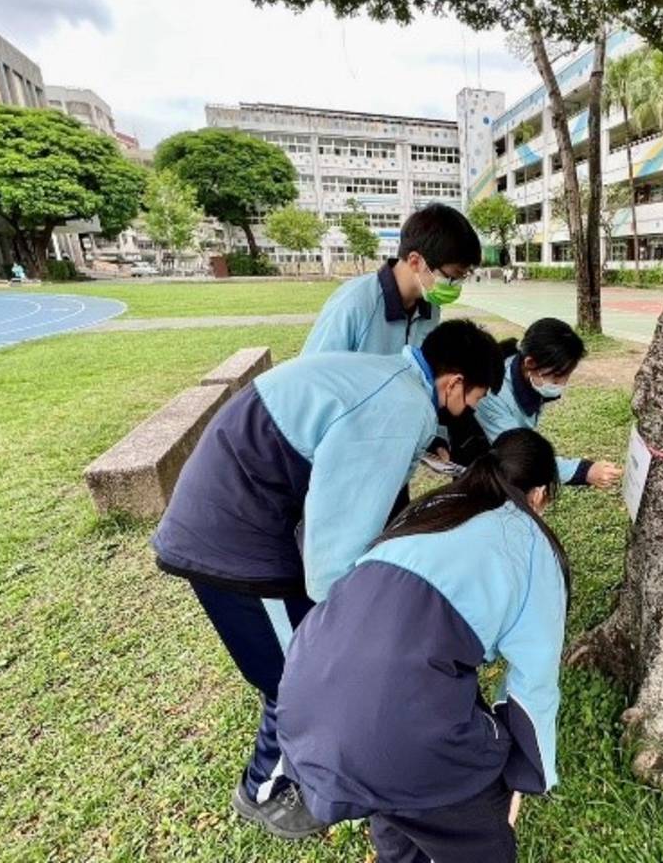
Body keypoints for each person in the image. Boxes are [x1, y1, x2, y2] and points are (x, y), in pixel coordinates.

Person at [151, 319, 505, 840]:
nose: (469, 412)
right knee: (301, 673)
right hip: (233, 538)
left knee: (307, 658)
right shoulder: (400, 407)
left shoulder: (392, 379)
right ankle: (264, 793)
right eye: (473, 399)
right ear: (452, 383)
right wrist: (361, 617)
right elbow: (334, 552)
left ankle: (292, 769)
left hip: (243, 516)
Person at [277, 429, 569, 863]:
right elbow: (534, 685)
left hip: (302, 702)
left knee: (396, 804)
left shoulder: (430, 510)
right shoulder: (530, 544)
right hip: (396, 731)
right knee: (479, 838)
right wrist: (527, 773)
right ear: (540, 494)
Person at [448, 317, 623, 489]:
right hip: (478, 467)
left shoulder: (524, 372)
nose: (561, 385)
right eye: (556, 377)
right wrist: (585, 471)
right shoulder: (493, 395)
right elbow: (520, 454)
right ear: (530, 363)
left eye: (566, 377)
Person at [301, 203, 477, 357]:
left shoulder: (430, 308)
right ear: (415, 261)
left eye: (464, 277)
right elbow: (312, 375)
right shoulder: (355, 303)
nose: (457, 284)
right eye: (453, 276)